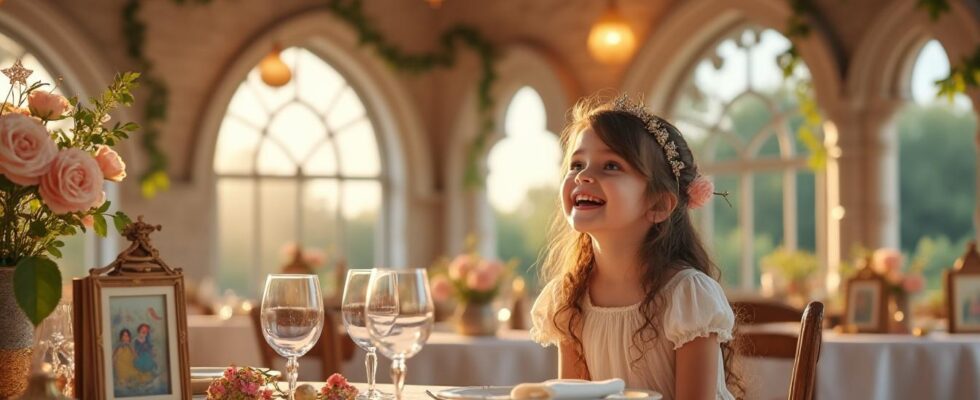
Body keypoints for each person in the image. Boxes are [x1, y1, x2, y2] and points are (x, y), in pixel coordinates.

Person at [530, 94, 742, 399]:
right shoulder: (569, 299)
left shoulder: (687, 297)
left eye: (611, 166)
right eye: (577, 164)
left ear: (657, 204)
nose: (584, 175)